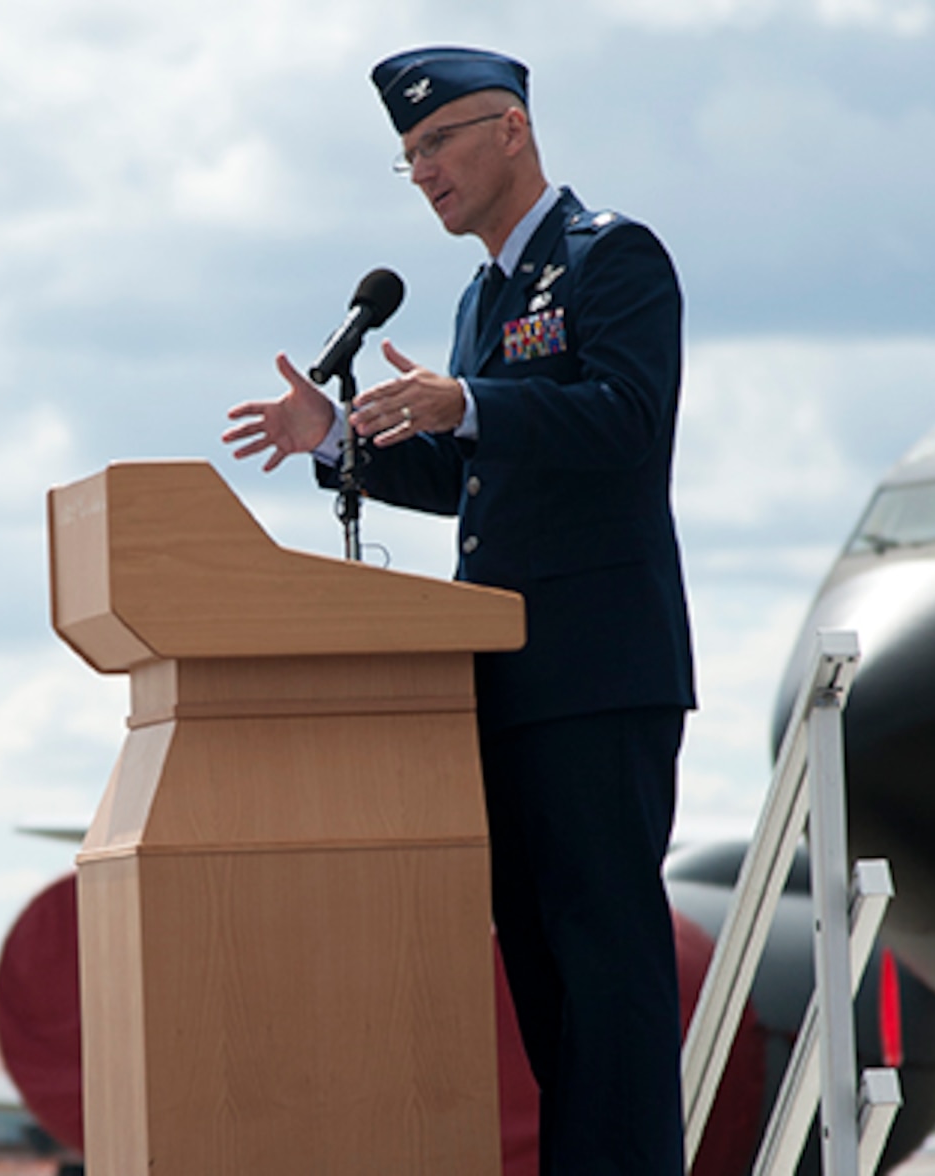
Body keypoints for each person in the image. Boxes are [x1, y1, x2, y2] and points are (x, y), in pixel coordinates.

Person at [221, 46, 695, 1176]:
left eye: (436, 143)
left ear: (511, 131)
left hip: (594, 672)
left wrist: (466, 399)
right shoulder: (481, 296)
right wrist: (335, 440)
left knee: (607, 969)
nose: (422, 170)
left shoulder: (609, 257)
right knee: (540, 967)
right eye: (407, 157)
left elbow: (626, 421)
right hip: (500, 682)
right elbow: (470, 478)